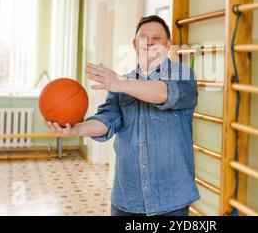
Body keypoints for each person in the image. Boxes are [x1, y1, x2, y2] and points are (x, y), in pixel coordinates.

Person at [45, 15, 200, 216]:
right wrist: (74, 129)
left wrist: (120, 83)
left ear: (168, 44)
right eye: (143, 37)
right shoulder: (120, 83)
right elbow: (107, 120)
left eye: (157, 38)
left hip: (172, 200)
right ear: (135, 44)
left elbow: (166, 93)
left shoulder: (184, 75)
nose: (149, 42)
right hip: (127, 198)